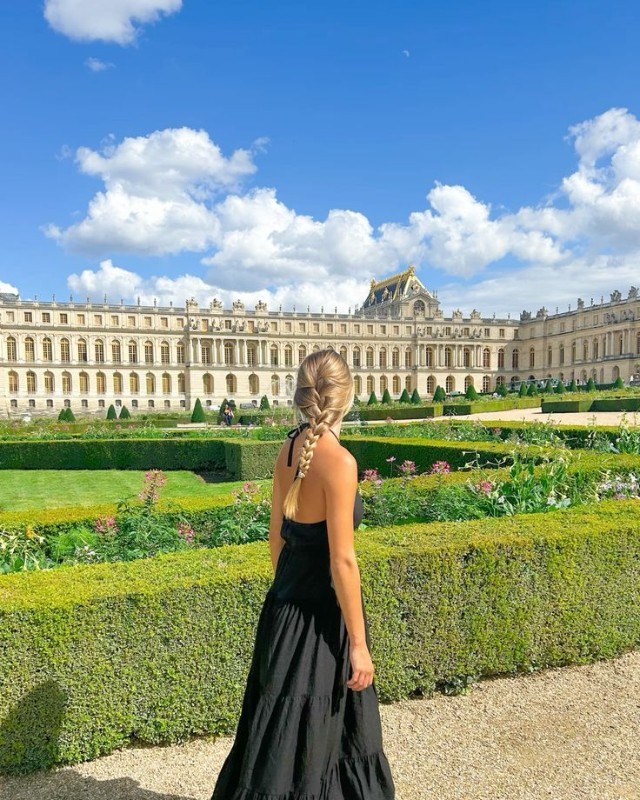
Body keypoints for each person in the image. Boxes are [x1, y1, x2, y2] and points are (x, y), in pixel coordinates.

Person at [210, 348, 395, 799]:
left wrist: (289, 592)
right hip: (324, 617)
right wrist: (359, 644)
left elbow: (276, 539)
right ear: (348, 397)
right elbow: (342, 561)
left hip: (284, 609)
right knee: (330, 729)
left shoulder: (289, 449)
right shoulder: (341, 462)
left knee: (276, 732)